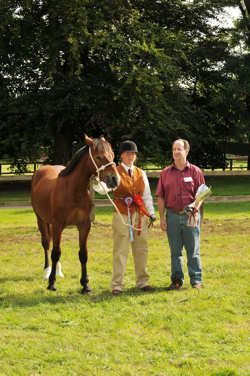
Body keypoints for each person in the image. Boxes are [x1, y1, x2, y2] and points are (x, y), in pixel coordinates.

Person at [156, 139, 205, 290]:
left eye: (179, 149)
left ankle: (196, 280)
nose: (176, 152)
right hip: (172, 216)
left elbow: (202, 194)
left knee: (193, 250)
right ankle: (177, 280)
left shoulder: (195, 171)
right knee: (175, 251)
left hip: (191, 216)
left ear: (186, 151)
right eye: (174, 149)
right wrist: (162, 218)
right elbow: (160, 197)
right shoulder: (165, 173)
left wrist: (196, 208)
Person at [111, 140, 156, 295]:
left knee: (142, 248)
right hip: (122, 214)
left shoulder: (141, 173)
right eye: (127, 153)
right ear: (121, 155)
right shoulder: (114, 171)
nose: (130, 156)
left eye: (133, 154)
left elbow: (147, 195)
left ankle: (143, 282)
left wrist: (151, 213)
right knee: (120, 249)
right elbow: (104, 189)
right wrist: (99, 183)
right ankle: (117, 284)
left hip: (140, 214)